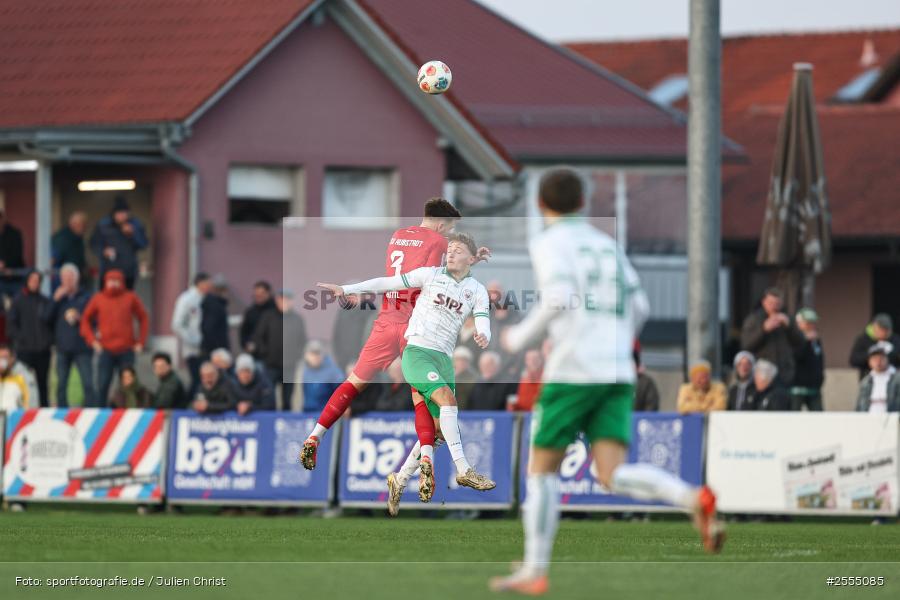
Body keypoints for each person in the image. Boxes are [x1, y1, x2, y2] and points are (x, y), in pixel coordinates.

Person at [491, 168, 723, 594]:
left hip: (573, 369)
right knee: (612, 473)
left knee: (541, 471)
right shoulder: (607, 244)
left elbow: (558, 298)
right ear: (583, 203)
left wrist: (516, 337)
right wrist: (615, 343)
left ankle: (534, 570)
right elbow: (641, 305)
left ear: (542, 205)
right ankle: (692, 499)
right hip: (617, 369)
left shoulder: (550, 241)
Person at [300, 198, 491, 467]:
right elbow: (445, 275)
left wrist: (346, 288)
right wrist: (475, 260)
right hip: (413, 328)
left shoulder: (398, 235)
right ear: (439, 223)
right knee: (420, 393)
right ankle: (426, 458)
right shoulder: (438, 243)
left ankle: (314, 436)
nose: (449, 235)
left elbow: (393, 277)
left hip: (385, 321)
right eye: (448, 228)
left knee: (353, 383)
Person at [318, 232, 497, 506]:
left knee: (438, 433)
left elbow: (483, 317)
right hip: (417, 353)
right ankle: (464, 470)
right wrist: (347, 289)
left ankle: (399, 480)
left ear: (471, 258)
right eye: (449, 249)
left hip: (443, 361)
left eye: (457, 250)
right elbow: (386, 282)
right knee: (447, 402)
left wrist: (484, 334)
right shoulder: (429, 275)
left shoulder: (477, 290)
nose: (450, 253)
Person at [80, 269, 148, 405]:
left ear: (122, 282)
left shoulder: (130, 297)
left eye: (117, 281)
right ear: (105, 282)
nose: (114, 284)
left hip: (127, 349)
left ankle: (127, 413)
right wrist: (93, 341)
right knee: (102, 385)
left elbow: (143, 318)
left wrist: (141, 342)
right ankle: (101, 414)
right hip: (105, 350)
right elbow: (85, 320)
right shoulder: (98, 298)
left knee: (128, 386)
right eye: (111, 281)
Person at [46, 264, 95, 407]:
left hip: (82, 347)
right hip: (62, 348)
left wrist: (80, 318)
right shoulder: (57, 298)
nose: (67, 281)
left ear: (77, 279)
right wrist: (55, 299)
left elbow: (94, 320)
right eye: (64, 278)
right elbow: (45, 317)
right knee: (61, 384)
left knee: (88, 383)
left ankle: (91, 412)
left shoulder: (86, 297)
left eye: (70, 277)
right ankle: (62, 413)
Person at [253, 289, 307, 411]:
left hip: (289, 366)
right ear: (277, 300)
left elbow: (302, 340)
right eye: (282, 299)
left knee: (287, 398)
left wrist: (296, 356)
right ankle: (269, 423)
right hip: (271, 365)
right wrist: (265, 354)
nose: (285, 302)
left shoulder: (297, 319)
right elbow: (259, 337)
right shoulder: (268, 316)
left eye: (288, 299)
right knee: (269, 396)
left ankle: (285, 420)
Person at [740, 287, 805, 386]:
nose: (774, 307)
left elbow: (801, 342)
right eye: (771, 303)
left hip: (785, 373)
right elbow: (746, 345)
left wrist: (789, 327)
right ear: (764, 302)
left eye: (777, 304)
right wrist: (763, 330)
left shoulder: (788, 318)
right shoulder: (753, 319)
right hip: (763, 374)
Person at [6, 270, 52, 406]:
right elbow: (11, 325)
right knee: (24, 382)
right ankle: (25, 410)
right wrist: (22, 338)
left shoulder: (44, 301)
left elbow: (50, 323)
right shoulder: (18, 300)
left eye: (37, 281)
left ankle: (44, 410)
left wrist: (47, 341)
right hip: (25, 350)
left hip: (43, 351)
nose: (35, 283)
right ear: (27, 281)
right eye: (32, 280)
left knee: (43, 383)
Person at [89, 196, 148, 289]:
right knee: (106, 299)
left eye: (124, 213)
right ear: (114, 214)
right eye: (119, 213)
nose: (121, 216)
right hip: (108, 271)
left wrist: (132, 235)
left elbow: (143, 244)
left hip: (128, 272)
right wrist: (103, 251)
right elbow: (93, 243)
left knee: (126, 299)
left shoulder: (135, 225)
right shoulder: (103, 225)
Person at [171, 273, 212, 397]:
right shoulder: (187, 299)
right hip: (192, 349)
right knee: (197, 380)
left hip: (205, 347)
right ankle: (186, 407)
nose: (210, 286)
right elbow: (177, 324)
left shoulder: (205, 298)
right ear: (200, 283)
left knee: (205, 380)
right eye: (208, 283)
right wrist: (194, 340)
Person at [791, 308, 824, 411]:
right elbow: (795, 357)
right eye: (808, 323)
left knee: (819, 419)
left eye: (813, 323)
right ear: (799, 323)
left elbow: (819, 361)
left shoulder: (816, 341)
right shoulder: (793, 337)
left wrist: (820, 378)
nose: (812, 326)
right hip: (797, 387)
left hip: (814, 387)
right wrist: (805, 341)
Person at [849, 314, 900, 379]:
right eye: (881, 330)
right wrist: (871, 355)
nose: (883, 333)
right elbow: (854, 360)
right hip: (869, 379)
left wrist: (889, 355)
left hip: (892, 381)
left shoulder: (896, 340)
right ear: (874, 328)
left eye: (886, 331)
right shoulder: (863, 340)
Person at [300, 340, 343, 414]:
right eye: (312, 354)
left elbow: (341, 394)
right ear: (306, 355)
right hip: (308, 413)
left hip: (326, 414)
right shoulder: (304, 371)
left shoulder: (333, 371)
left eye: (318, 353)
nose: (315, 357)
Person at [856, 342, 900, 413]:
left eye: (881, 358)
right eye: (874, 359)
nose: (878, 361)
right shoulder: (866, 380)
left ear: (887, 359)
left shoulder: (897, 377)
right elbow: (860, 403)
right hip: (869, 413)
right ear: (869, 361)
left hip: (891, 415)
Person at [51, 212, 89, 288]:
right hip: (63, 280)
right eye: (82, 225)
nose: (84, 228)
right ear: (74, 224)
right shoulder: (62, 238)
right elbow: (53, 260)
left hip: (77, 279)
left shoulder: (78, 238)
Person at [240, 281, 276, 354]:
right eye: (256, 294)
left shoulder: (277, 310)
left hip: (275, 355)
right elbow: (244, 332)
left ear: (268, 293)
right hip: (256, 353)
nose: (258, 296)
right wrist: (246, 344)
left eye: (261, 294)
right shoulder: (250, 312)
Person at [0, 210, 25, 304]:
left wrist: (5, 265)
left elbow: (17, 254)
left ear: (3, 219)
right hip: (1, 279)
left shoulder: (14, 233)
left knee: (19, 301)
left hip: (15, 276)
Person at [0, 344, 33, 410]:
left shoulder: (21, 378)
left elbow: (30, 403)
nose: (2, 362)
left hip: (13, 418)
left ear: (12, 359)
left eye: (5, 358)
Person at [452, 346, 478, 410]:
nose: (461, 362)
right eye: (458, 359)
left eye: (464, 360)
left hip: (466, 409)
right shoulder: (448, 374)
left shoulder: (473, 377)